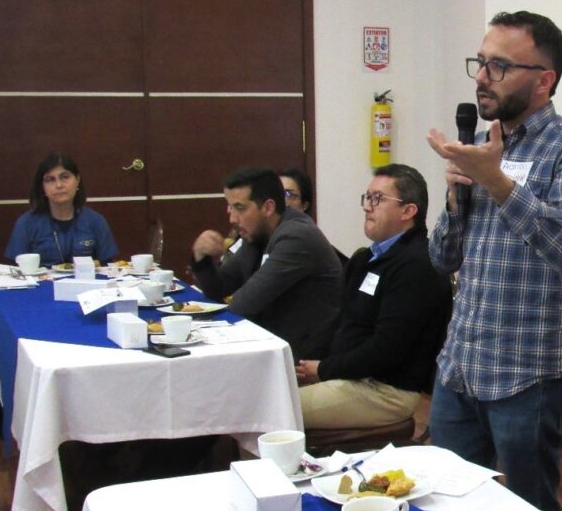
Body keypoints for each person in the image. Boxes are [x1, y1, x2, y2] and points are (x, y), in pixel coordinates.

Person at [425, 10, 562, 511]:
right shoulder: (482, 148)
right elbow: (442, 258)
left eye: (500, 66)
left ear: (544, 81)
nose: (483, 77)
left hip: (527, 375)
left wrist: (498, 183)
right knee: (448, 510)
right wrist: (455, 198)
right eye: (481, 62)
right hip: (460, 366)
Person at [295, 164, 452, 429]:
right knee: (271, 389)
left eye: (377, 198)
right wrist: (302, 362)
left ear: (408, 211)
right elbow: (340, 322)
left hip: (386, 389)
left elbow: (387, 348)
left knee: (275, 409)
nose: (367, 206)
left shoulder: (417, 265)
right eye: (367, 197)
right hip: (351, 376)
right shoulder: (365, 258)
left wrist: (323, 369)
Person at [190, 167, 342, 359]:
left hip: (300, 358)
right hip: (269, 344)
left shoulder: (296, 237)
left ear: (268, 208)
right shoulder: (259, 232)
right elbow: (221, 288)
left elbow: (242, 305)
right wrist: (201, 257)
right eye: (230, 207)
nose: (232, 218)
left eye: (240, 208)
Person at [5, 152, 120, 265]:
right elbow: (14, 269)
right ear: (42, 187)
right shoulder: (26, 223)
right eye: (50, 180)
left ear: (77, 180)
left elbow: (107, 268)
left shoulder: (95, 221)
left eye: (65, 177)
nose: (59, 185)